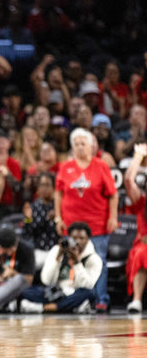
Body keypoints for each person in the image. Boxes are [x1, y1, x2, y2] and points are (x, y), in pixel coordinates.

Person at [54, 127, 118, 313]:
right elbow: (58, 193)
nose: (80, 147)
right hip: (71, 225)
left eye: (84, 143)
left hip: (97, 225)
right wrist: (58, 218)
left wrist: (113, 217)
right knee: (71, 262)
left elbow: (113, 195)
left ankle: (100, 300)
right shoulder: (65, 167)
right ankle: (76, 301)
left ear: (91, 146)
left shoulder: (101, 165)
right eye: (76, 144)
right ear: (72, 147)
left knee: (98, 263)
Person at [20, 221, 101, 314]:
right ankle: (69, 307)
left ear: (88, 239)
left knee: (90, 293)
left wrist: (77, 263)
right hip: (57, 293)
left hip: (76, 293)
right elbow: (46, 280)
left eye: (82, 238)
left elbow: (87, 285)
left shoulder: (94, 259)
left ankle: (44, 308)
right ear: (69, 237)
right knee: (26, 291)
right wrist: (58, 257)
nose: (78, 242)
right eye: (74, 238)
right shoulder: (56, 250)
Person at [123, 143, 147, 313]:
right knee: (141, 253)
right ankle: (136, 300)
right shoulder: (141, 203)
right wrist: (138, 156)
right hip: (143, 245)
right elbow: (128, 180)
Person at [22, 173, 59, 270]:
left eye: (47, 185)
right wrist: (28, 219)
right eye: (42, 185)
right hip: (39, 250)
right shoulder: (33, 207)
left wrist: (57, 217)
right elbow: (26, 233)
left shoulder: (59, 206)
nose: (44, 188)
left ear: (54, 187)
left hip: (57, 250)